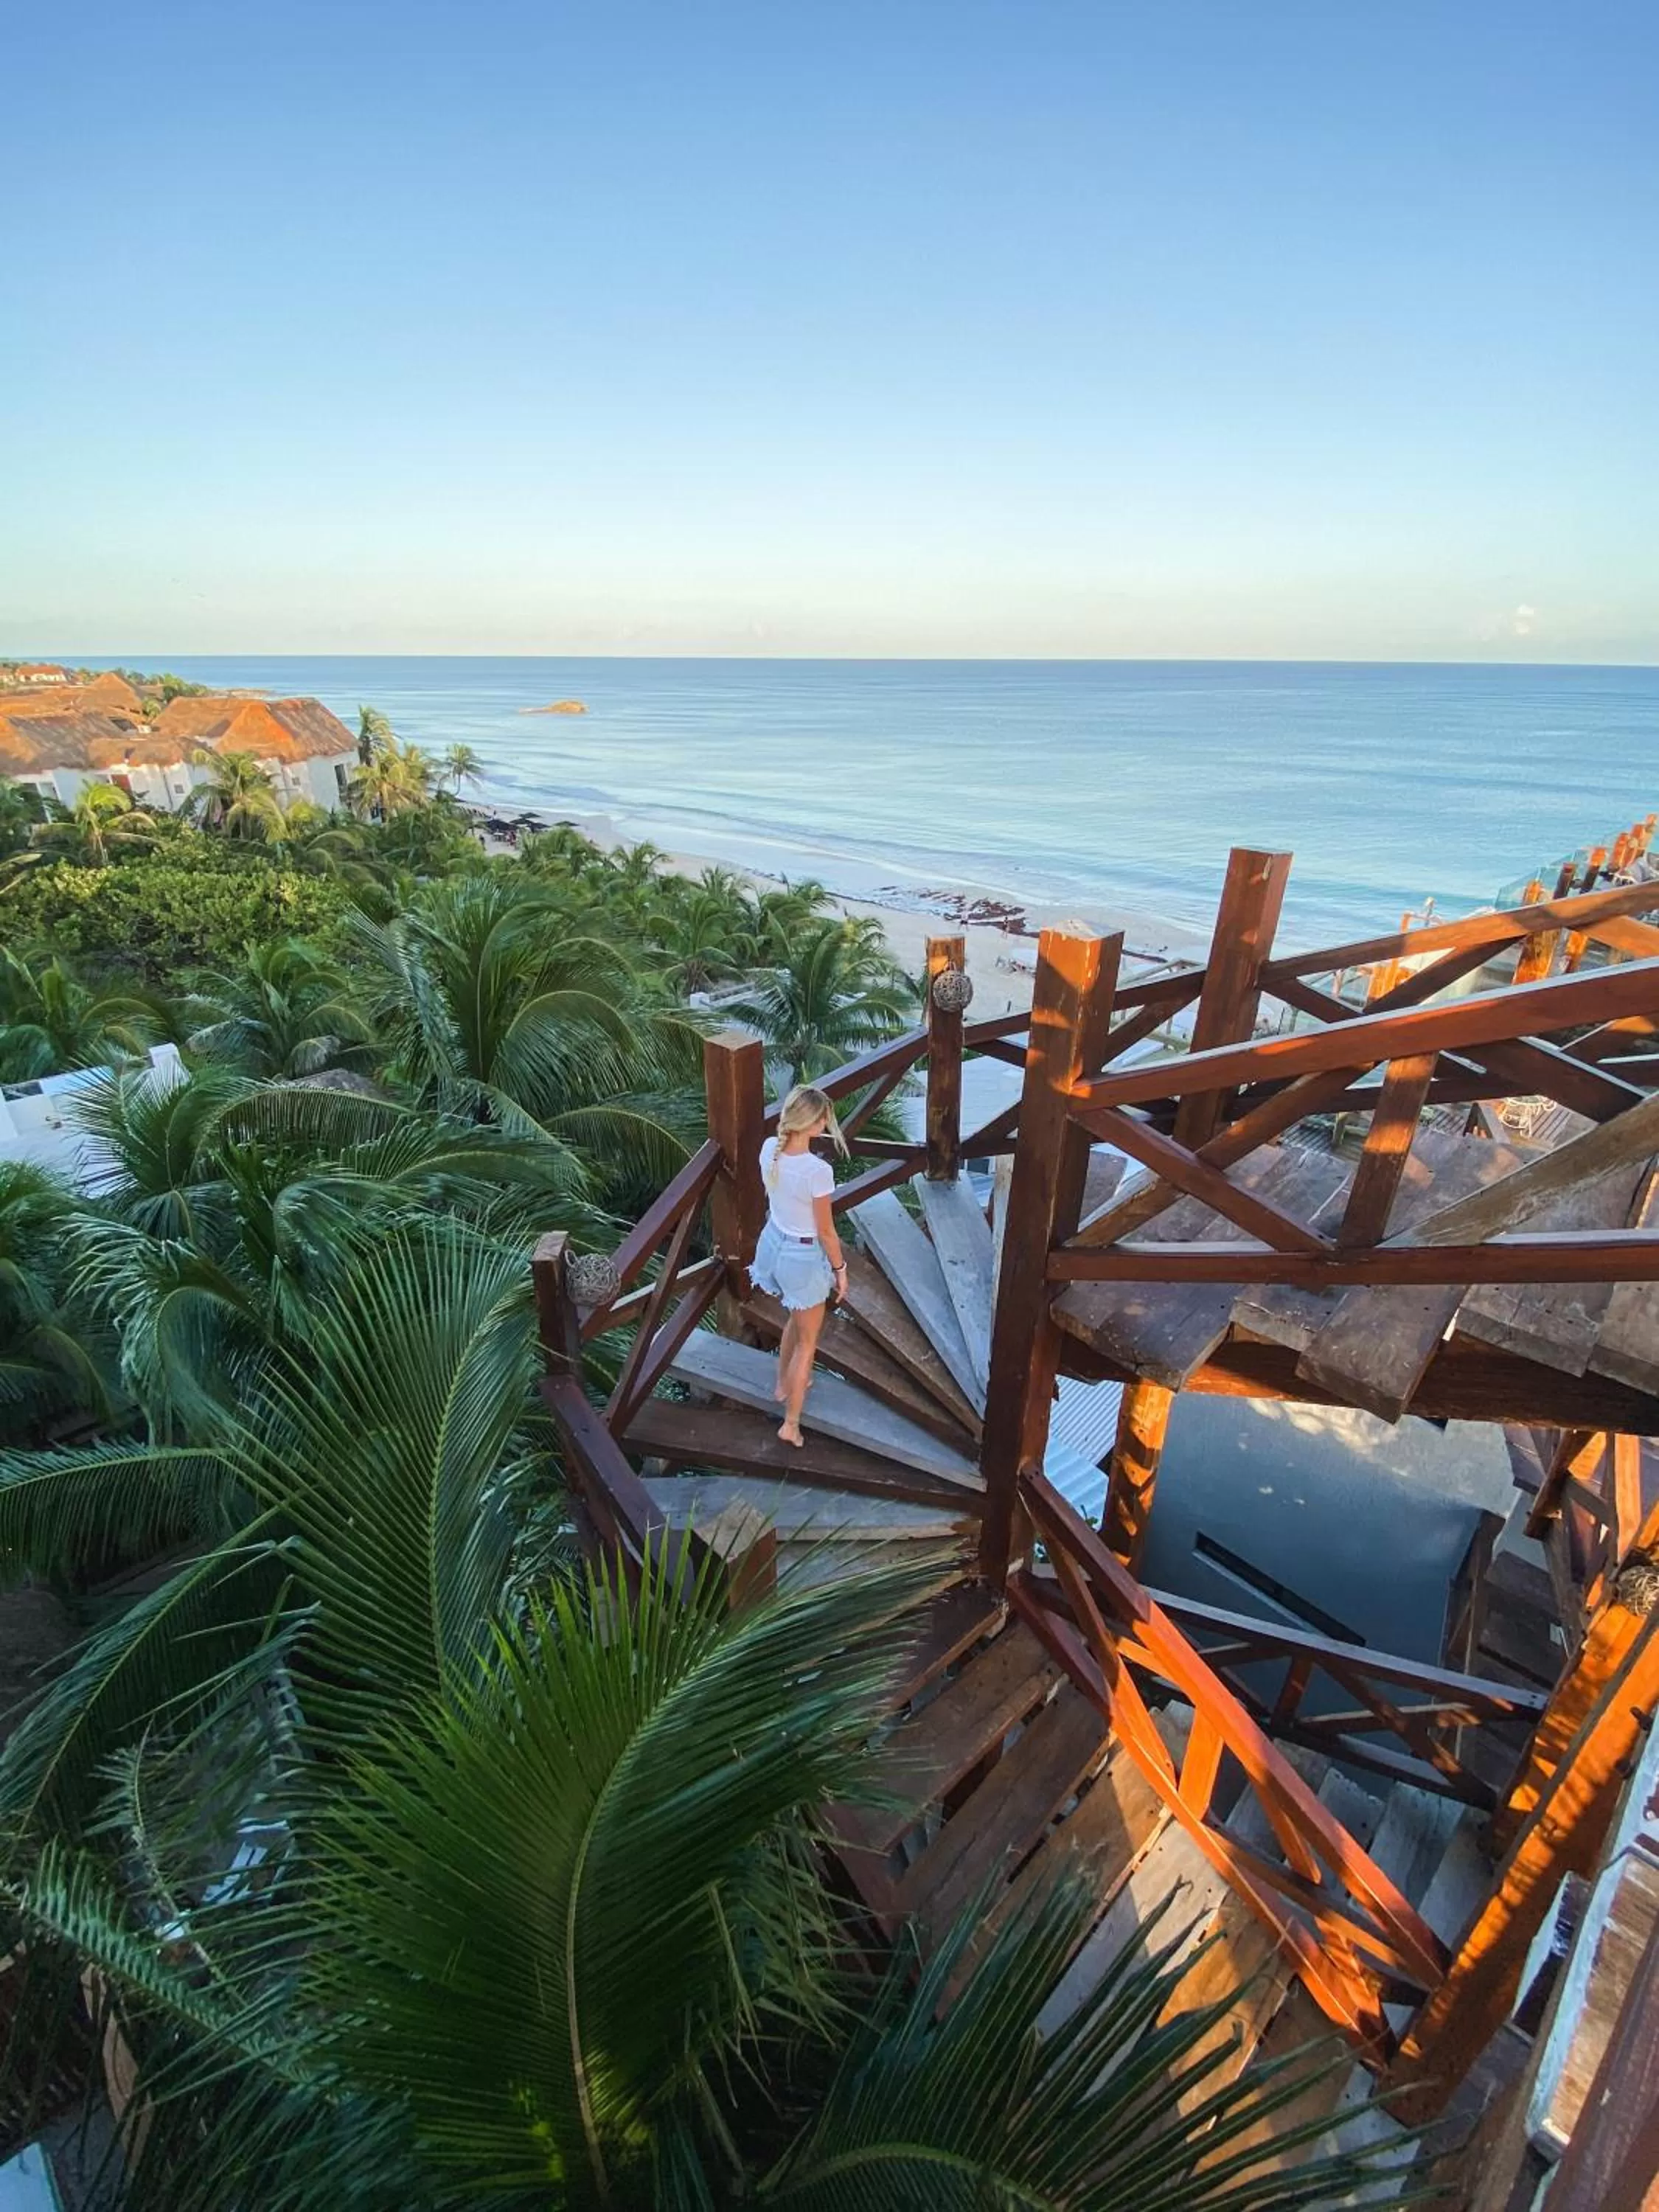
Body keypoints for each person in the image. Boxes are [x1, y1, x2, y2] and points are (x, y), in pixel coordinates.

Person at [751, 1085, 849, 1446]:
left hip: (773, 1244)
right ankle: (790, 1424)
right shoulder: (816, 1170)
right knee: (809, 1342)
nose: (827, 1123)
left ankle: (783, 1383)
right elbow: (826, 1231)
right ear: (813, 1123)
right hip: (801, 1257)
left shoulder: (768, 1149)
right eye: (824, 1118)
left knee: (795, 1315)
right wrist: (840, 1270)